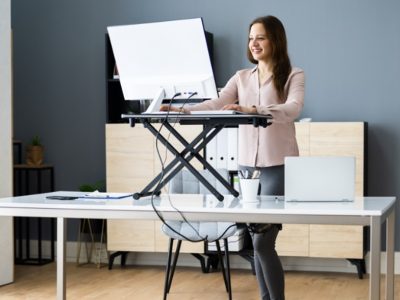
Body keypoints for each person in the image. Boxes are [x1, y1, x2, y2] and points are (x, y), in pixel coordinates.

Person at [161, 15, 304, 300]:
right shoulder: (241, 77)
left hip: (278, 164)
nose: (254, 43)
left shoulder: (293, 74)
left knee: (264, 241)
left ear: (275, 39)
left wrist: (257, 111)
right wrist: (184, 111)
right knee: (254, 241)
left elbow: (293, 108)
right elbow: (217, 102)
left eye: (260, 37)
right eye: (251, 37)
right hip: (246, 167)